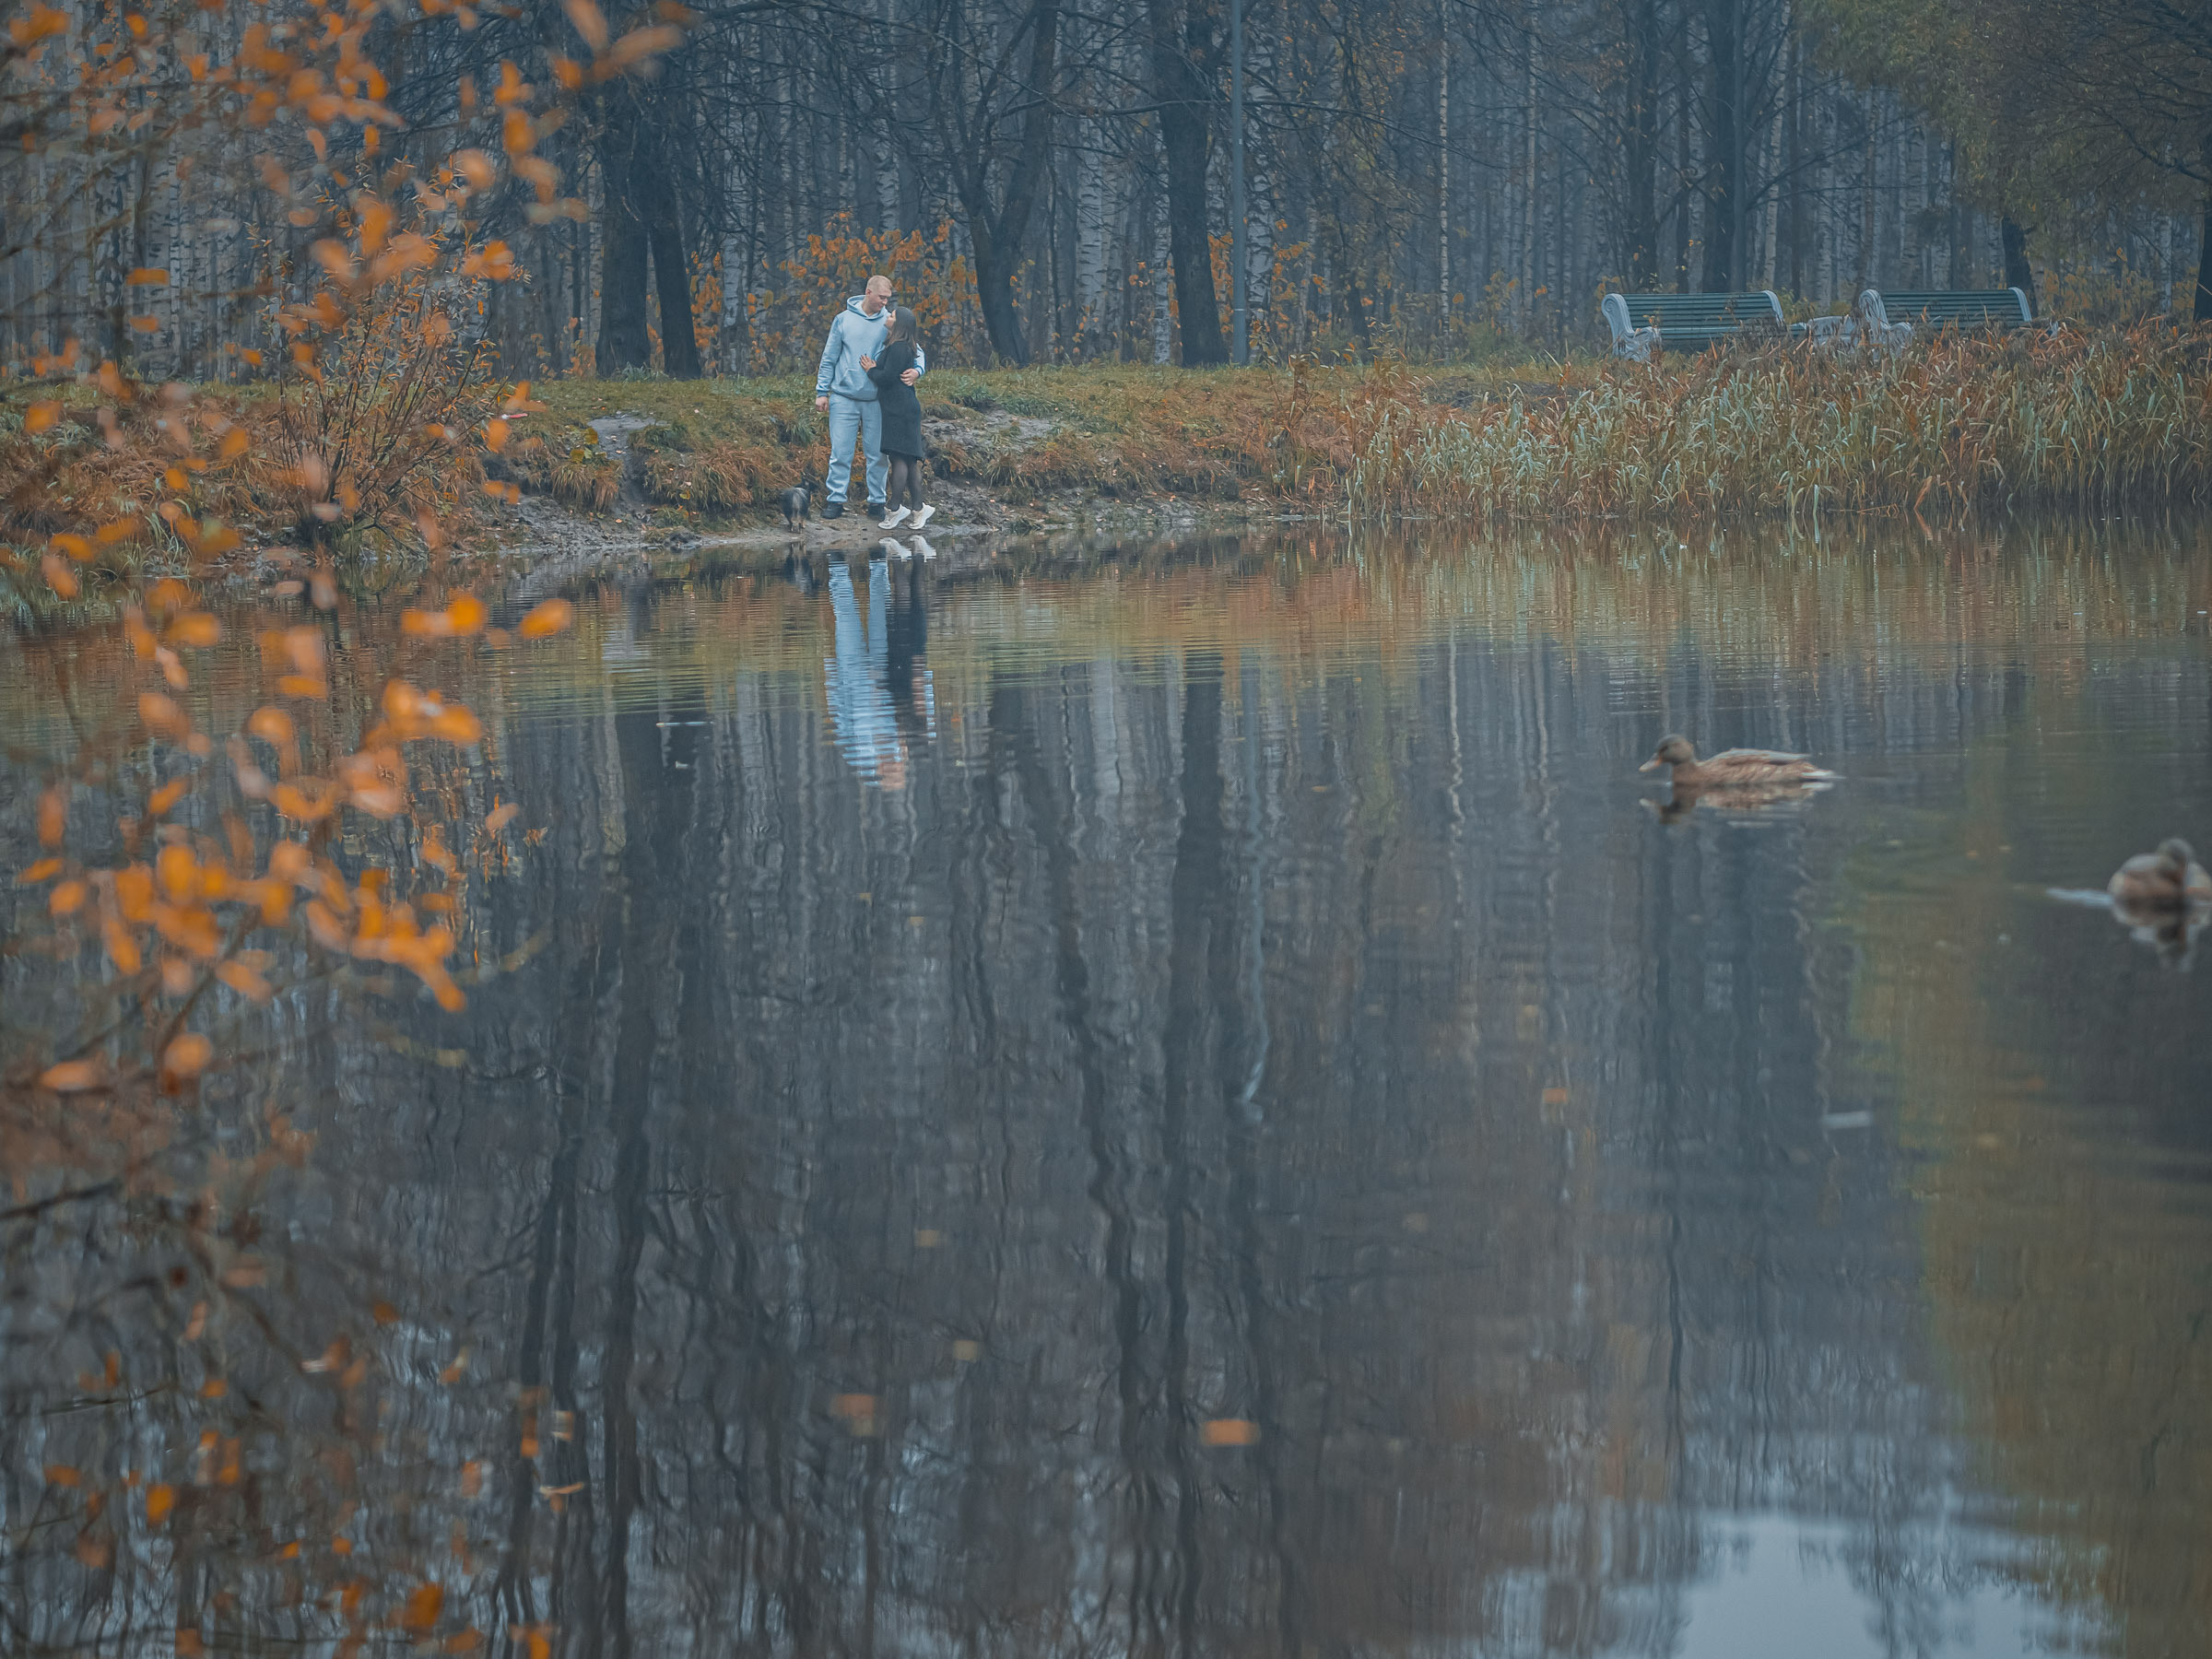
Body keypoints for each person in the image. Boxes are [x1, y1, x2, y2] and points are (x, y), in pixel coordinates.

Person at [813, 275, 922, 520]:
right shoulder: (843, 320)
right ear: (868, 292)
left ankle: (876, 502)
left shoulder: (889, 322)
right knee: (841, 453)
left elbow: (915, 348)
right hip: (843, 396)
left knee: (878, 455)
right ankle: (835, 500)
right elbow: (829, 357)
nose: (885, 303)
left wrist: (918, 370)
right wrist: (822, 392)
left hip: (877, 400)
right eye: (882, 297)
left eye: (888, 298)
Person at [863, 307, 933, 530]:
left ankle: (895, 509)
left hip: (900, 410)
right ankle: (919, 508)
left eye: (892, 315)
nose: (888, 317)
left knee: (899, 459)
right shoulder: (901, 346)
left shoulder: (899, 348)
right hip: (902, 408)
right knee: (908, 461)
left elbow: (887, 378)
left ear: (899, 324)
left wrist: (871, 370)